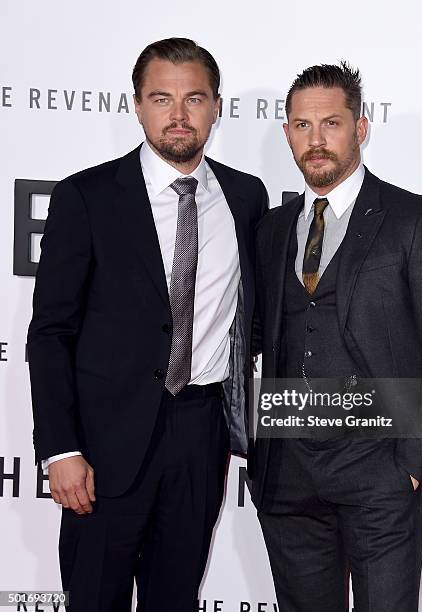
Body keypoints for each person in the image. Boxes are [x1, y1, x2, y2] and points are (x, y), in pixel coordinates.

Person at [27, 37, 268, 612]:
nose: (178, 115)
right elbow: (51, 333)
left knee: (175, 598)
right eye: (162, 98)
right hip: (102, 445)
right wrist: (60, 449)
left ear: (215, 106)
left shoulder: (245, 196)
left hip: (200, 432)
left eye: (194, 99)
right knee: (94, 597)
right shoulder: (86, 197)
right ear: (137, 105)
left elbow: (253, 320)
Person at [250, 63, 422, 611]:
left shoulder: (415, 218)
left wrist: (409, 466)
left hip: (380, 470)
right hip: (287, 475)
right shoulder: (273, 228)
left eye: (331, 123)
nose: (316, 140)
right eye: (302, 126)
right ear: (287, 134)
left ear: (361, 127)